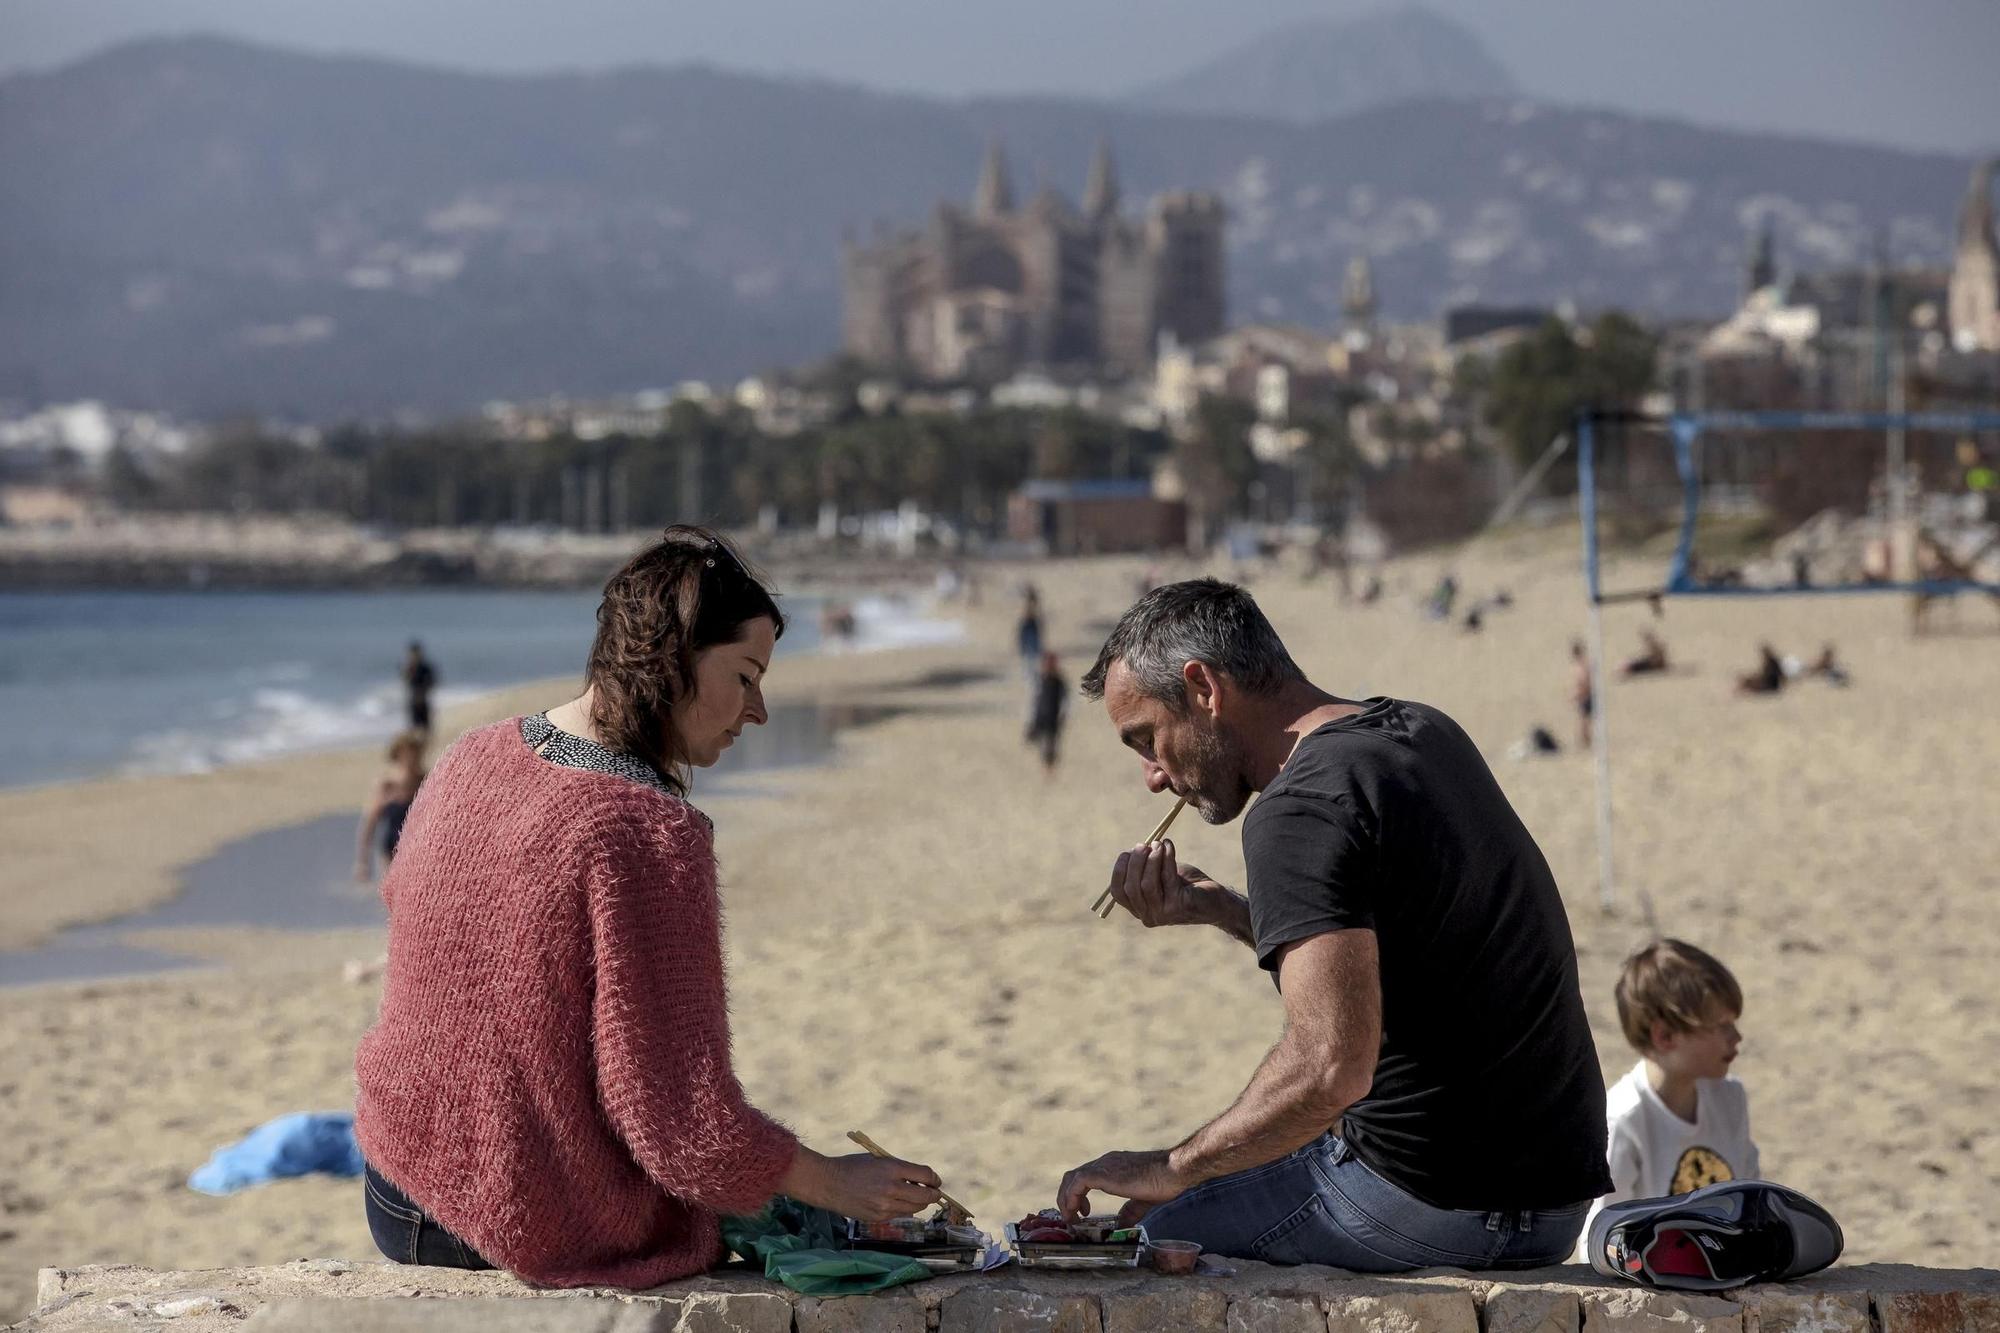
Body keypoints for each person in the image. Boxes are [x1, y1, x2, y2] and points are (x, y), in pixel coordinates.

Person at [354, 527, 940, 1285]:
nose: (757, 709)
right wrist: (835, 1180)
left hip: (391, 1176)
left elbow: (405, 909)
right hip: (502, 1217)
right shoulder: (647, 830)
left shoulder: (475, 751)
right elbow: (681, 1126)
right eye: (745, 674)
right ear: (675, 657)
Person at [1059, 579, 1610, 1271]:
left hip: (1433, 1201)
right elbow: (1387, 951)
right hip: (1555, 1201)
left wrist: (1175, 1166)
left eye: (1147, 738)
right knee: (1205, 1188)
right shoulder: (1418, 730)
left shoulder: (1297, 808)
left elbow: (1329, 1070)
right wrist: (1221, 908)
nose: (1153, 777)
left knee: (1145, 1245)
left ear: (1203, 688)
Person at [1580, 940, 1757, 1257]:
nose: (1737, 1037)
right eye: (1722, 1026)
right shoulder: (1624, 1119)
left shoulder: (1730, 1098)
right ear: (1664, 1036)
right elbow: (1598, 1237)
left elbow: (1750, 1199)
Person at [355, 731, 426, 883]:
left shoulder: (425, 780)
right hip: (390, 848)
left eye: (416, 752)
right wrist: (362, 862)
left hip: (418, 848)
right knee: (392, 895)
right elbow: (369, 823)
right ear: (399, 754)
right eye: (409, 753)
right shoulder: (387, 784)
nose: (413, 758)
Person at [1024, 650, 1069, 776]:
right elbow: (1033, 700)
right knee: (1041, 744)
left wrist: (1063, 715)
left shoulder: (1059, 682)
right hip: (1040, 718)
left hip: (1053, 719)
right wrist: (1029, 719)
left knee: (1051, 745)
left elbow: (1065, 700)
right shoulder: (1040, 680)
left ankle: (1050, 769)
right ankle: (1044, 768)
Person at [402, 641, 438, 734]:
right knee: (414, 729)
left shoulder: (425, 668)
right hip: (413, 702)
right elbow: (406, 681)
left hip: (423, 701)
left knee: (426, 730)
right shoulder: (409, 668)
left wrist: (423, 690)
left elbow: (432, 682)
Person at [1572, 639, 1595, 748]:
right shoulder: (1582, 665)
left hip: (1586, 696)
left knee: (1585, 722)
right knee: (1584, 721)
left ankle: (1587, 743)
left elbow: (1585, 682)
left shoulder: (1583, 666)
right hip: (1585, 695)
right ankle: (1586, 742)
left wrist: (1580, 694)